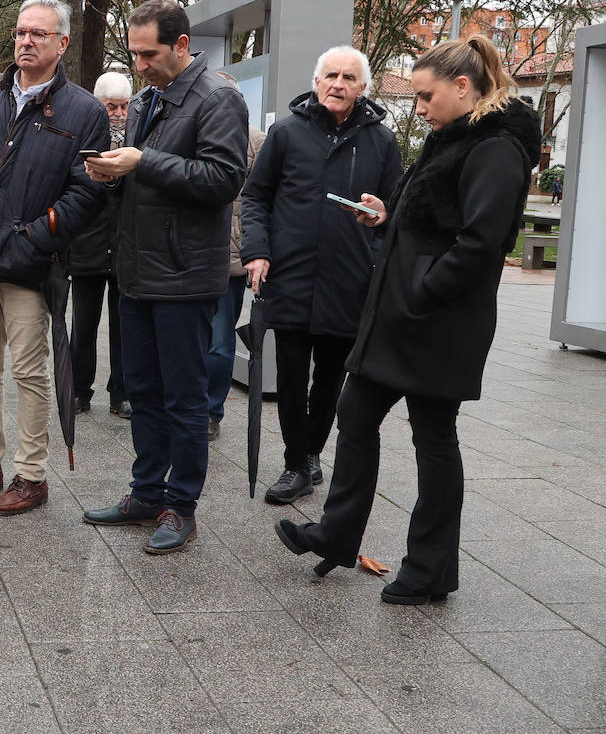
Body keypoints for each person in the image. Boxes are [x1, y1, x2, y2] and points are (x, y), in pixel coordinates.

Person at [275, 36, 541, 604]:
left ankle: (429, 569)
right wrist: (387, 218)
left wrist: (422, 289)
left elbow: (480, 242)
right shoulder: (456, 137)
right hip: (400, 316)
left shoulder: (495, 147)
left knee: (434, 440)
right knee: (356, 413)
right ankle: (337, 533)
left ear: (463, 88)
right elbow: (438, 221)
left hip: (437, 322)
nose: (418, 107)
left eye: (425, 95)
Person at [82, 0, 248, 553]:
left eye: (148, 53)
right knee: (144, 393)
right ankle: (146, 492)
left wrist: (140, 162)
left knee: (184, 399)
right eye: (133, 54)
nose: (140, 65)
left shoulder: (218, 97)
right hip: (138, 272)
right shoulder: (152, 98)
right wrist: (111, 174)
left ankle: (181, 505)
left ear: (181, 45)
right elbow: (147, 178)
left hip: (184, 277)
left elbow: (224, 178)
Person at [0, 0, 110, 516]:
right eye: (20, 32)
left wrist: (36, 237)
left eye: (37, 34)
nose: (25, 41)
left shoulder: (84, 111)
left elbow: (86, 193)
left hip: (30, 265)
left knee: (30, 372)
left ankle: (31, 475)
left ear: (62, 43)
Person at [240, 47, 403, 503]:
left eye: (349, 77)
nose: (338, 83)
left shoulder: (382, 142)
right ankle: (296, 463)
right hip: (290, 274)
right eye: (330, 75)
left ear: (363, 89)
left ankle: (313, 452)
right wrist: (257, 251)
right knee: (290, 376)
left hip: (348, 278)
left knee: (330, 377)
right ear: (316, 81)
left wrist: (383, 214)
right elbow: (256, 197)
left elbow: (397, 207)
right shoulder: (286, 132)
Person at [68, 71, 133, 419]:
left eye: (124, 105)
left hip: (124, 246)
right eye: (112, 106)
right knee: (84, 324)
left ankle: (121, 393)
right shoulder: (84, 134)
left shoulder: (136, 138)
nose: (119, 113)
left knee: (124, 326)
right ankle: (79, 390)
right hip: (88, 244)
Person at [206, 71, 267, 440]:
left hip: (229, 259)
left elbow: (261, 202)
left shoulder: (258, 142)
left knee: (218, 339)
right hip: (190, 256)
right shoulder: (198, 134)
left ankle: (211, 411)